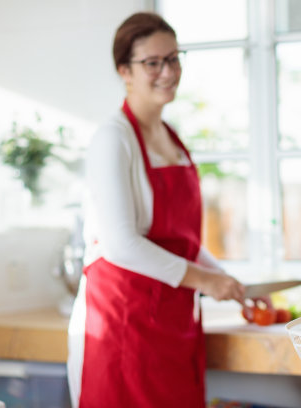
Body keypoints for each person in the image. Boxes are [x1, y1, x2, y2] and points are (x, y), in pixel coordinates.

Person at [67, 12, 246, 408]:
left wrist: (230, 283)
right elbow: (120, 243)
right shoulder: (113, 138)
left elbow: (182, 242)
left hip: (172, 321)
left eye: (174, 58)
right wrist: (206, 280)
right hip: (122, 324)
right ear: (124, 71)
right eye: (153, 63)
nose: (167, 72)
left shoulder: (170, 138)